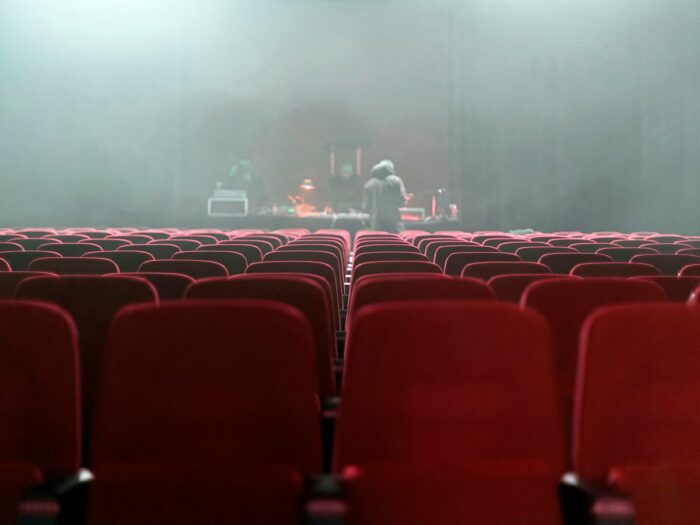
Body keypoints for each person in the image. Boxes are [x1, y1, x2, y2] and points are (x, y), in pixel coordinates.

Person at [362, 159, 407, 233]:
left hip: (376, 222)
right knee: (394, 242)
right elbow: (402, 202)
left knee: (379, 242)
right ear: (391, 169)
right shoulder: (396, 181)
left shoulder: (369, 184)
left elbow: (366, 207)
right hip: (393, 221)